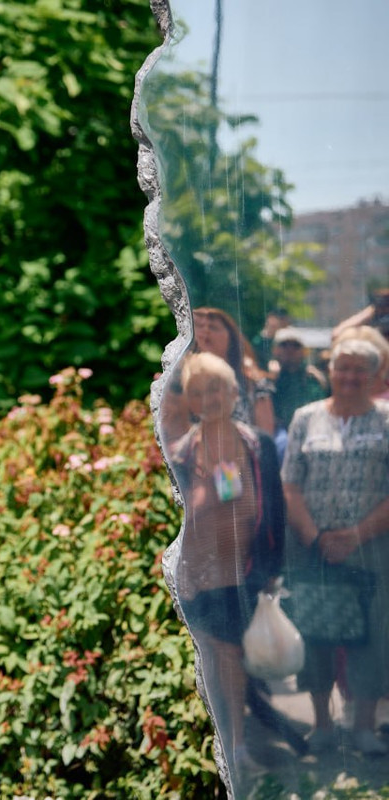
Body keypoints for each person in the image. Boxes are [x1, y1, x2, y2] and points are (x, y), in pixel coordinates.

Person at [167, 353, 284, 785]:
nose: (207, 398)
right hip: (197, 575)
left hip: (243, 571)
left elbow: (273, 510)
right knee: (216, 660)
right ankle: (226, 747)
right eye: (197, 392)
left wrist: (272, 568)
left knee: (230, 659)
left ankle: (235, 747)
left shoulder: (257, 445)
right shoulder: (181, 451)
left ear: (233, 392)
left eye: (215, 388)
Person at [281, 337, 389, 755]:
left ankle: (363, 727)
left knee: (372, 634)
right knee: (315, 631)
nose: (349, 376)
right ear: (329, 371)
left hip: (372, 546)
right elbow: (290, 485)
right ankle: (322, 724)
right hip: (312, 546)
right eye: (342, 367)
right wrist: (318, 537)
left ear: (376, 375)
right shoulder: (305, 418)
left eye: (359, 368)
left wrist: (355, 535)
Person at [160, 307, 275, 444]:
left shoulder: (253, 381)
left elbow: (266, 439)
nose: (206, 331)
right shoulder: (179, 381)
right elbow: (171, 432)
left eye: (213, 327)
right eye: (201, 327)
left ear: (230, 337)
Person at [270, 328, 328, 459]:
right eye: (284, 345)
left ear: (304, 352)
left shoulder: (313, 379)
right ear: (275, 350)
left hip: (311, 429)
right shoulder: (269, 378)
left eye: (295, 346)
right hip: (280, 430)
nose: (290, 350)